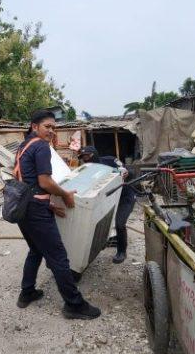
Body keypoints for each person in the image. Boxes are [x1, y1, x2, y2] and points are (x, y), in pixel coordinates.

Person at [14, 110, 101, 320]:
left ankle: (27, 293)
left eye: (54, 127)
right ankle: (74, 304)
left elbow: (27, 180)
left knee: (35, 250)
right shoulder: (41, 146)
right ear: (34, 126)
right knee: (59, 257)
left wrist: (47, 202)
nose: (52, 131)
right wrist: (65, 195)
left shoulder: (23, 146)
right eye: (48, 127)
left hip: (22, 207)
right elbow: (44, 182)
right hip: (35, 211)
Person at [78, 146, 135, 264]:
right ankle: (105, 242)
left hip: (124, 197)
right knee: (101, 223)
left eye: (87, 156)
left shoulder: (110, 160)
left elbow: (130, 172)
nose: (85, 159)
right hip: (108, 200)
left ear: (94, 154)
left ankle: (121, 252)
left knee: (119, 224)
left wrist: (127, 173)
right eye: (83, 157)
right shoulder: (87, 171)